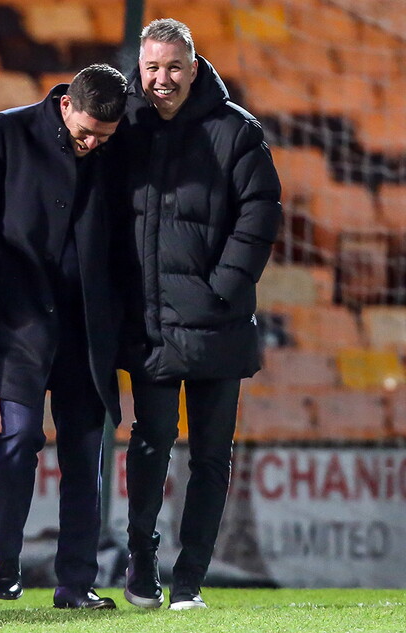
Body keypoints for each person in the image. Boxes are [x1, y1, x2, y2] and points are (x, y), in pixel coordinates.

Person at [112, 19, 282, 610]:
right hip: (150, 323)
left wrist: (222, 290)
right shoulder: (121, 127)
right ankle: (140, 566)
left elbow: (260, 213)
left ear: (193, 65)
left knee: (211, 457)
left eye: (173, 67)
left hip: (217, 323)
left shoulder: (236, 131)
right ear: (141, 65)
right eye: (152, 67)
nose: (162, 79)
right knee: (150, 443)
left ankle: (189, 583)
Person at [0, 64, 128, 610]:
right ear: (65, 105)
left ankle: (76, 585)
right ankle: (6, 560)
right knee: (20, 441)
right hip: (22, 323)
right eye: (86, 132)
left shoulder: (114, 151)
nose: (92, 143)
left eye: (104, 137)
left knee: (85, 455)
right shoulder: (4, 133)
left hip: (86, 331)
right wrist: (14, 286)